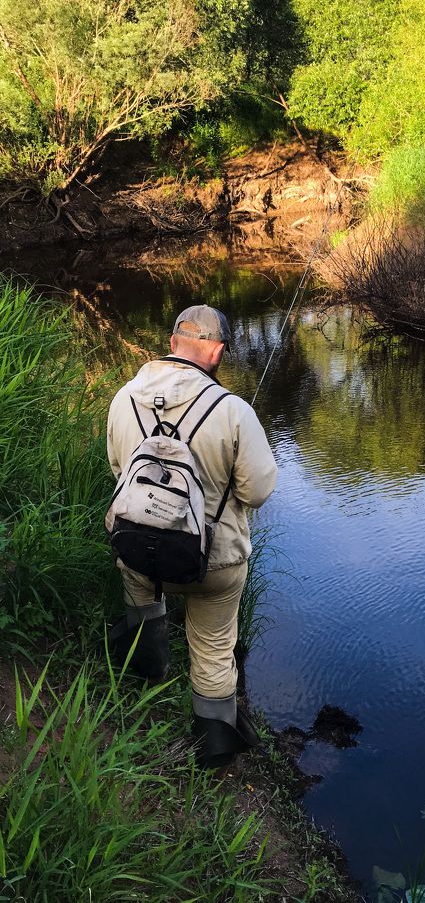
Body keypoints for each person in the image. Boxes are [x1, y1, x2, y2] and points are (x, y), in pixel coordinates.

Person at [106, 304, 278, 768]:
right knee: (214, 647)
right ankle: (214, 751)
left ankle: (144, 685)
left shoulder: (122, 399)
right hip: (213, 564)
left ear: (171, 344)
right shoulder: (234, 411)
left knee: (141, 605)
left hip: (136, 547)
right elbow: (257, 492)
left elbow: (119, 471)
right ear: (217, 352)